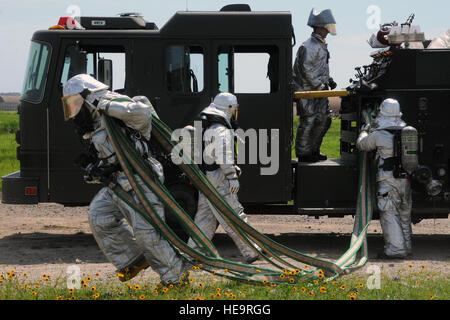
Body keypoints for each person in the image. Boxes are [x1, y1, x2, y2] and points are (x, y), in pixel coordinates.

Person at [62, 74, 187, 284]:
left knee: (148, 234)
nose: (74, 110)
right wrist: (96, 169)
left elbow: (143, 114)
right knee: (99, 216)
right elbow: (107, 154)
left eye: (76, 103)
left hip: (141, 180)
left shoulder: (119, 106)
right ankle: (133, 259)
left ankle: (176, 279)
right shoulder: (94, 123)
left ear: (88, 97)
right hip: (118, 182)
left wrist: (101, 104)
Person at [186, 92, 260, 264]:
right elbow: (223, 155)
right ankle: (251, 251)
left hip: (207, 177)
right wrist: (231, 175)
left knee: (205, 217)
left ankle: (193, 252)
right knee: (233, 214)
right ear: (229, 109)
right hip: (219, 178)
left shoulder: (210, 127)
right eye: (235, 109)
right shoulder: (221, 130)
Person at [356, 98, 412, 259]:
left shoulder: (379, 134)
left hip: (388, 180)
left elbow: (362, 145)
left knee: (389, 212)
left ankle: (395, 249)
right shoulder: (406, 131)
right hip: (405, 180)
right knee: (404, 214)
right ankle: (406, 247)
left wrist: (364, 131)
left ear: (382, 112)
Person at [293, 8, 337, 162]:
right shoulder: (308, 46)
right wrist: (320, 85)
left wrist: (329, 79)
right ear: (319, 27)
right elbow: (306, 70)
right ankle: (304, 153)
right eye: (326, 27)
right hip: (307, 91)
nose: (328, 30)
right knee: (309, 121)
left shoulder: (320, 45)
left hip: (319, 92)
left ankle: (314, 150)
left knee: (325, 119)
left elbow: (320, 68)